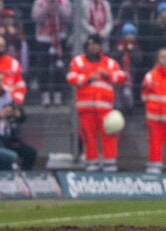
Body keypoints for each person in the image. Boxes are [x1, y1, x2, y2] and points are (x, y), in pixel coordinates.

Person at [67, 34, 127, 172]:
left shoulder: (110, 63)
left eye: (96, 44)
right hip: (85, 108)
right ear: (87, 46)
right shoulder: (78, 61)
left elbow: (121, 76)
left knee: (109, 135)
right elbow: (71, 77)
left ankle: (110, 163)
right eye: (91, 44)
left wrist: (108, 75)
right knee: (88, 136)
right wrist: (88, 78)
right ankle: (91, 163)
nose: (93, 47)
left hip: (105, 107)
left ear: (100, 46)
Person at [140, 47, 166, 174]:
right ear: (157, 59)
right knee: (154, 142)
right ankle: (154, 167)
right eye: (162, 57)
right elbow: (144, 96)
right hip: (154, 116)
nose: (164, 59)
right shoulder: (150, 76)